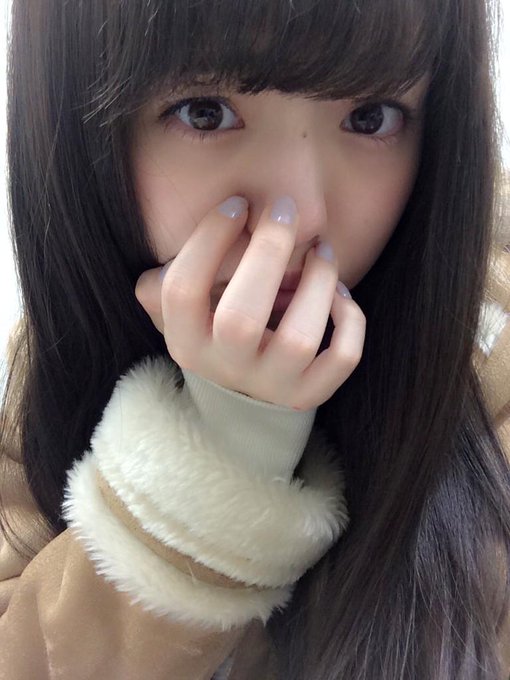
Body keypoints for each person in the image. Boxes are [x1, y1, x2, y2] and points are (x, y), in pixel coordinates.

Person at [0, 0, 510, 678]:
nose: (302, 216)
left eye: (370, 117)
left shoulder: (493, 367)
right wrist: (216, 467)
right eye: (205, 113)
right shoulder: (44, 367)